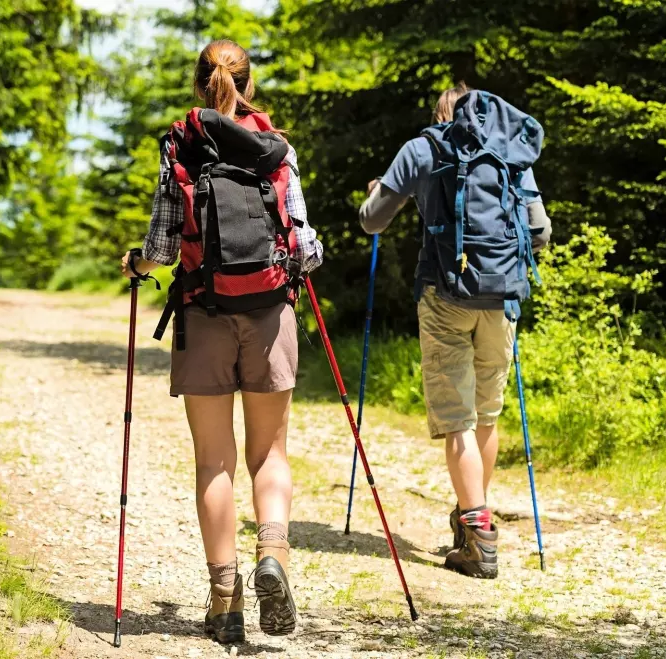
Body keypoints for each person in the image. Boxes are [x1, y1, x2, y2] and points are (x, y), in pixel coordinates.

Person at [119, 40, 323, 644]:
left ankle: (225, 599)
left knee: (215, 460)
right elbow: (305, 244)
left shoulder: (179, 145)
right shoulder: (276, 147)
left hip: (202, 312)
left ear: (198, 84)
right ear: (248, 84)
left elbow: (161, 244)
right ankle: (274, 558)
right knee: (270, 454)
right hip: (269, 314)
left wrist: (138, 263)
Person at [358, 84, 552, 579]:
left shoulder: (423, 148)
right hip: (502, 297)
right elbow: (541, 232)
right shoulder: (512, 153)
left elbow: (372, 222)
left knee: (457, 419)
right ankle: (473, 514)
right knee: (486, 412)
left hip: (444, 293)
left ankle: (479, 535)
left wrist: (375, 195)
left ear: (441, 113)